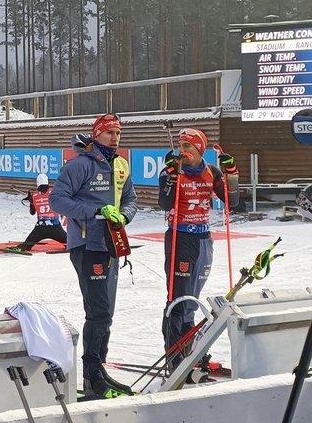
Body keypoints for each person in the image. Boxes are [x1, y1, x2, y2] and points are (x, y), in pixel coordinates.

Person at [51, 112, 138, 399]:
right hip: (87, 246)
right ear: (97, 134)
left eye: (118, 133)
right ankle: (92, 375)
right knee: (98, 311)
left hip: (111, 245)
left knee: (106, 313)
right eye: (109, 132)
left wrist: (123, 217)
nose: (115, 137)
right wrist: (96, 211)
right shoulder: (80, 165)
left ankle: (98, 369)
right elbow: (57, 200)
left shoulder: (121, 165)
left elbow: (130, 200)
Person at [157, 128, 239, 362]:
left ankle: (189, 351)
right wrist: (173, 176)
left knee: (193, 300)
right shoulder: (171, 170)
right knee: (179, 300)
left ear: (200, 149)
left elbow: (231, 200)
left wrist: (231, 173)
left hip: (203, 240)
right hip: (180, 238)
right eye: (180, 146)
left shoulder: (211, 172)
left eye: (188, 147)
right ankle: (174, 357)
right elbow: (164, 203)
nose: (182, 151)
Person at [8, 172, 67, 253]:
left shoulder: (34, 196)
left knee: (26, 245)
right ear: (47, 182)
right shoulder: (54, 193)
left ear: (37, 183)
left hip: (40, 228)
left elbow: (32, 212)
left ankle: (24, 247)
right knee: (70, 244)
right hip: (55, 227)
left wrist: (31, 201)